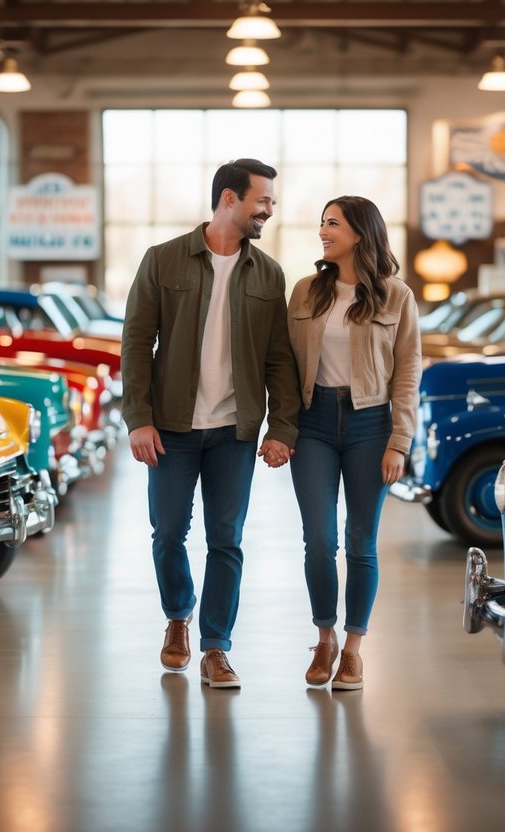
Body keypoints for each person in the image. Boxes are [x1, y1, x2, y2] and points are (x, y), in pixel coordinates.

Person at [121, 158, 301, 690]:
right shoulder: (163, 260)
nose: (268, 210)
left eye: (269, 202)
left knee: (227, 539)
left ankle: (216, 647)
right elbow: (136, 343)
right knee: (168, 533)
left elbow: (279, 360)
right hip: (171, 427)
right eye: (261, 201)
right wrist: (138, 418)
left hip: (234, 431)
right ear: (229, 198)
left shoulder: (268, 273)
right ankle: (179, 615)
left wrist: (282, 428)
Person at [286, 195, 421, 691]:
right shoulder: (304, 292)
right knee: (319, 539)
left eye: (333, 223)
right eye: (322, 222)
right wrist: (281, 429)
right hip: (313, 422)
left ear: (360, 233)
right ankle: (324, 638)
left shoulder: (396, 296)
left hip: (371, 425)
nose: (323, 231)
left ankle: (354, 649)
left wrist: (399, 440)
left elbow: (408, 372)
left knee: (360, 542)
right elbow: (283, 365)